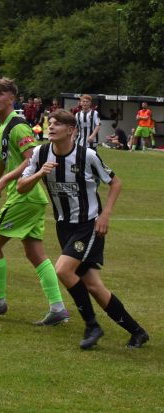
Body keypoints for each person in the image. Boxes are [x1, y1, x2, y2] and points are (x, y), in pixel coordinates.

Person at [17, 109, 150, 349]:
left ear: (71, 130)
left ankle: (92, 325)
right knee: (93, 286)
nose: (52, 127)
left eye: (58, 124)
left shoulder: (86, 156)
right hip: (63, 226)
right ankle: (137, 331)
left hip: (88, 225)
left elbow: (115, 182)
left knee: (63, 270)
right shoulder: (40, 153)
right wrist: (39, 173)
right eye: (51, 123)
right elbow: (21, 187)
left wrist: (105, 215)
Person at [0, 77, 68, 326]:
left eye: (1, 94)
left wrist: (6, 178)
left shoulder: (18, 126)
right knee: (35, 253)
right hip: (31, 199)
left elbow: (33, 159)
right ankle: (58, 307)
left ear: (12, 98)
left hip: (24, 197)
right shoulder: (1, 129)